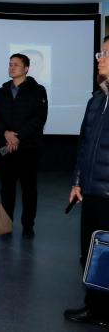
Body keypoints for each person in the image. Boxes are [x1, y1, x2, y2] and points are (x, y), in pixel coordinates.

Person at [64, 37, 109, 327]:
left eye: (106, 53)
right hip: (92, 190)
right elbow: (84, 143)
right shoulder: (97, 99)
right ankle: (95, 307)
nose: (100, 58)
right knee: (92, 253)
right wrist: (77, 181)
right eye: (100, 53)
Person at [0, 53, 48, 238]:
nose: (11, 67)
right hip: (5, 148)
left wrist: (18, 137)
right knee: (6, 189)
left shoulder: (37, 90)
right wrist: (6, 134)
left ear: (26, 69)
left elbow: (38, 118)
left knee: (29, 189)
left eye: (16, 64)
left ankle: (28, 225)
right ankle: (6, 224)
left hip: (28, 148)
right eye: (10, 64)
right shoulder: (1, 91)